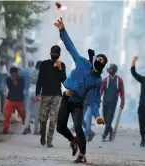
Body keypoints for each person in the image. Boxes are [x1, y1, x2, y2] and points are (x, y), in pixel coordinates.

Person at [54, 17, 106, 164]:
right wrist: (62, 30)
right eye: (98, 60)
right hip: (67, 98)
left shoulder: (97, 80)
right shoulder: (82, 62)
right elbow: (71, 47)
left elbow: (95, 100)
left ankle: (82, 155)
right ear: (93, 60)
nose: (99, 64)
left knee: (78, 126)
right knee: (60, 127)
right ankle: (73, 141)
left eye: (102, 63)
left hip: (78, 104)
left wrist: (97, 116)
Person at [36, 45, 66, 148]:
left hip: (57, 95)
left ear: (59, 55)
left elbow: (64, 80)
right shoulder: (45, 64)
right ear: (50, 54)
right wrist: (37, 93)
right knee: (43, 119)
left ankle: (49, 141)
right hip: (45, 95)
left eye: (56, 54)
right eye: (53, 53)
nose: (54, 55)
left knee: (53, 120)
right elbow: (40, 80)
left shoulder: (62, 65)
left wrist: (60, 68)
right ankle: (43, 135)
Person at [100, 63, 125, 142]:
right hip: (105, 102)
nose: (110, 70)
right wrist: (97, 100)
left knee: (109, 119)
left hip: (113, 103)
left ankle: (104, 134)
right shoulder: (105, 80)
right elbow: (100, 91)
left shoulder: (119, 80)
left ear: (114, 70)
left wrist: (122, 102)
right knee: (106, 119)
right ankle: (111, 132)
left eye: (111, 69)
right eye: (109, 69)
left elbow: (122, 92)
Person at [3, 67, 25, 134]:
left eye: (15, 74)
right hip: (10, 99)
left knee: (24, 115)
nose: (13, 75)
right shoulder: (8, 79)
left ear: (17, 73)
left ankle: (27, 127)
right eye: (12, 74)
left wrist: (15, 81)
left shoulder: (21, 79)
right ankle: (5, 129)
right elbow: (11, 88)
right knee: (7, 115)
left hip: (19, 100)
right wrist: (12, 81)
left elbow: (20, 89)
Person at [23, 61, 43, 135]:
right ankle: (36, 130)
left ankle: (26, 128)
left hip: (30, 91)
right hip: (37, 92)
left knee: (28, 111)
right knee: (37, 112)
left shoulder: (32, 71)